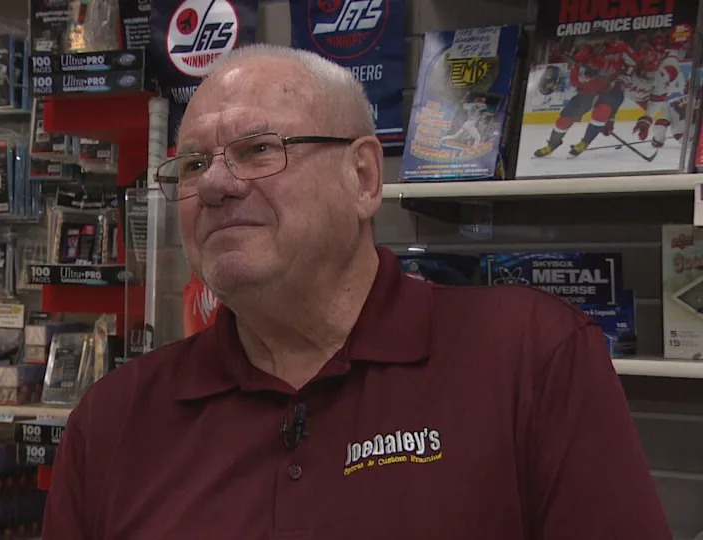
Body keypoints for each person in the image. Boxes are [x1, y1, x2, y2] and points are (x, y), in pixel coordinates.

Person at [43, 44, 669, 539]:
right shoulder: (113, 421)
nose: (213, 186)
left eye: (258, 149)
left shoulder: (533, 357)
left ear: (364, 176)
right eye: (192, 164)